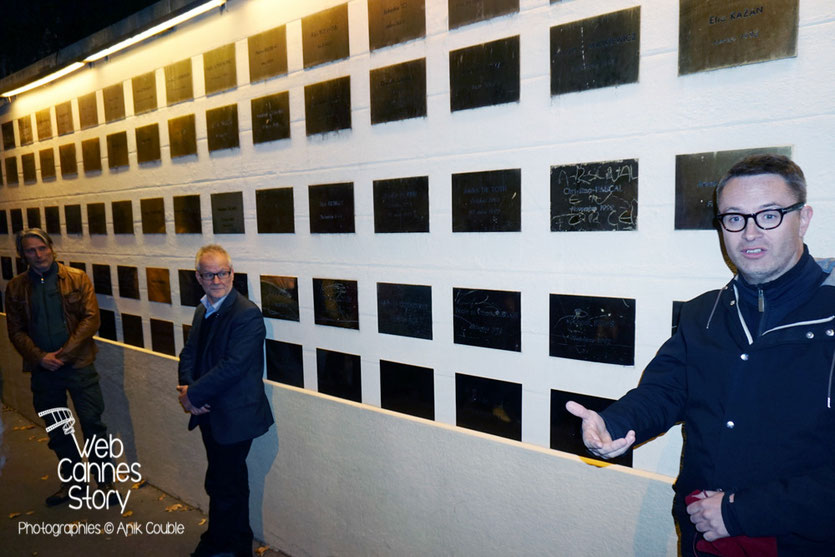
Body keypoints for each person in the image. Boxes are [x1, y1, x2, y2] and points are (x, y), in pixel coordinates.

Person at [567, 154, 835, 556]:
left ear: (804, 217)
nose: (749, 233)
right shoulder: (702, 313)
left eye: (768, 215)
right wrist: (612, 424)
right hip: (702, 536)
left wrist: (738, 512)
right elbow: (665, 391)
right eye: (734, 218)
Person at [177, 244, 274, 557]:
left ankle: (217, 545)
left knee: (223, 484)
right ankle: (237, 543)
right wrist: (187, 389)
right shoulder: (202, 308)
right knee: (226, 482)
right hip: (208, 410)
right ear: (199, 277)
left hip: (235, 416)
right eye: (209, 274)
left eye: (222, 273)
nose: (216, 279)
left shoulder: (247, 314)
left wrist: (194, 395)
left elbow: (233, 367)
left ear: (232, 274)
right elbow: (189, 352)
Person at [5, 228, 113, 505]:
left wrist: (63, 355)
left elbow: (91, 320)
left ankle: (105, 484)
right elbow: (15, 331)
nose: (38, 254)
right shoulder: (16, 287)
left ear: (51, 248)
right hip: (43, 371)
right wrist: (40, 357)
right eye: (31, 250)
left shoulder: (76, 278)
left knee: (92, 425)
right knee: (58, 429)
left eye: (42, 248)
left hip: (79, 366)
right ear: (23, 254)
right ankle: (74, 484)